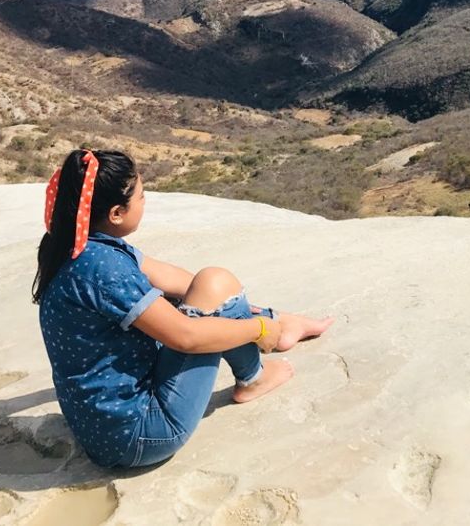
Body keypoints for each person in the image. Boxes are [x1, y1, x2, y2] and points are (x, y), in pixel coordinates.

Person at [32, 147, 333, 469]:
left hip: (101, 430)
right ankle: (253, 378)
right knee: (214, 285)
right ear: (117, 213)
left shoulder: (77, 245)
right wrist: (258, 329)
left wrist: (267, 315)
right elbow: (186, 337)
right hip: (140, 436)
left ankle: (283, 328)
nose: (146, 202)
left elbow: (184, 283)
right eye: (142, 196)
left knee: (212, 285)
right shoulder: (102, 269)